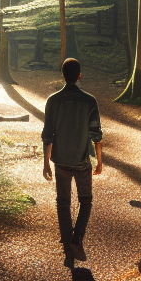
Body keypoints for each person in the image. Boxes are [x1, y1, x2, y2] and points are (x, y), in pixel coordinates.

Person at [41, 57, 103, 268]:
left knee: (63, 204)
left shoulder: (53, 100)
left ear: (63, 75)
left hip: (61, 160)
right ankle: (77, 239)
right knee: (85, 202)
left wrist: (46, 163)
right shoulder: (90, 101)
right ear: (79, 75)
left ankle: (68, 247)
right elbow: (96, 134)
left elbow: (47, 134)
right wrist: (100, 161)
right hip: (82, 160)